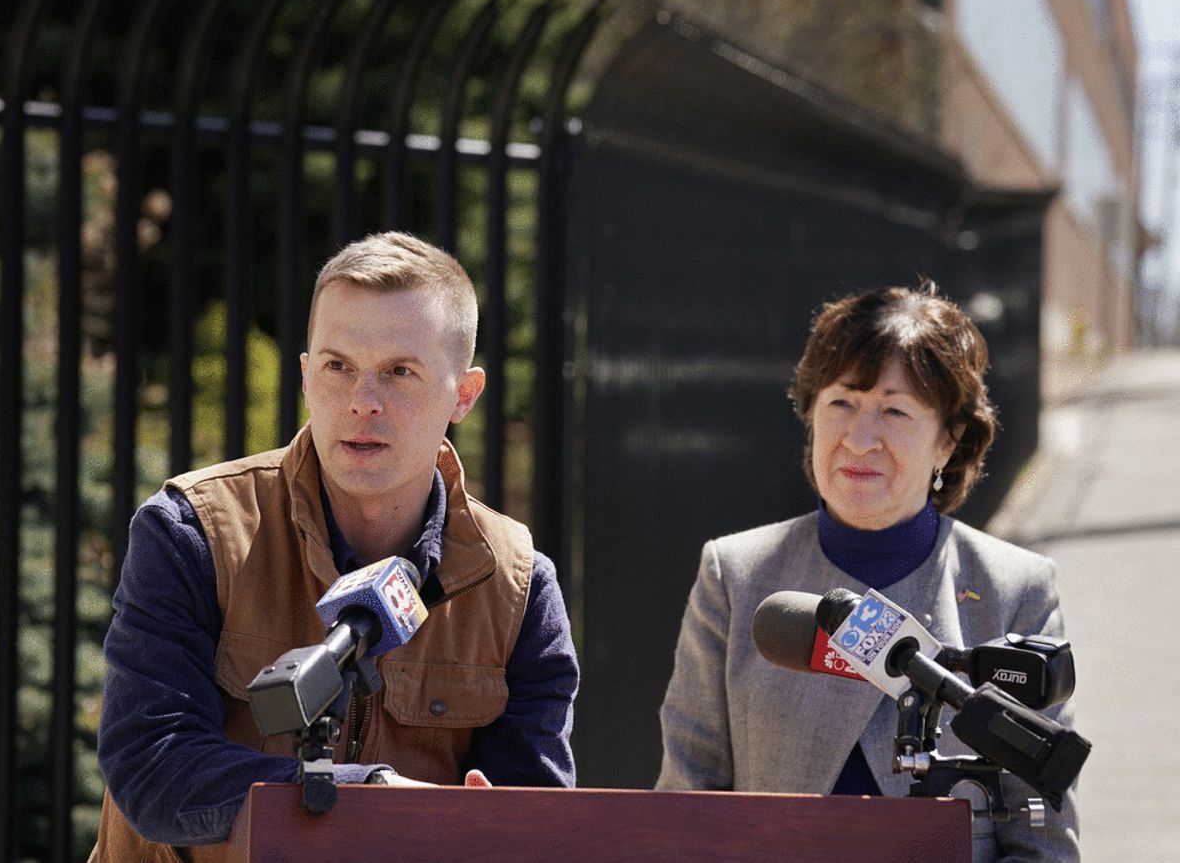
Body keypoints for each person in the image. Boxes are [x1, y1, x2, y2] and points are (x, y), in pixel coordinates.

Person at [92, 232, 579, 861]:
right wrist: (367, 798)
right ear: (304, 375)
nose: (362, 401)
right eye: (337, 365)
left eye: (399, 372)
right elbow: (152, 768)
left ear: (463, 394)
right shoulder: (193, 531)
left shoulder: (518, 588)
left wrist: (493, 826)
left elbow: (535, 825)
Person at [655, 282, 1080, 861]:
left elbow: (1042, 842)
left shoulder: (1016, 589)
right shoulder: (736, 574)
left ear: (948, 442)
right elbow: (685, 806)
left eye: (895, 410)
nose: (860, 438)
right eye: (841, 403)